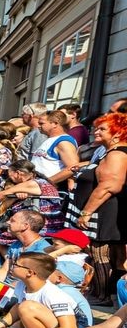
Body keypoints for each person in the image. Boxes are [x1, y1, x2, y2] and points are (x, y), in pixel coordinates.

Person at [70, 113, 127, 303]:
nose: (96, 131)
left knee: (100, 252)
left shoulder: (117, 154)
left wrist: (86, 213)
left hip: (106, 211)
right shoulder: (111, 152)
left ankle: (102, 295)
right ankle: (107, 293)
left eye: (103, 128)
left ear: (118, 134)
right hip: (106, 210)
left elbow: (109, 185)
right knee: (113, 254)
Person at [33, 110, 81, 189]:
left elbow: (73, 168)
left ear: (55, 124)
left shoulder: (64, 142)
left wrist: (45, 182)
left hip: (49, 191)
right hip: (37, 188)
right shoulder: (50, 139)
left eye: (42, 123)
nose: (38, 126)